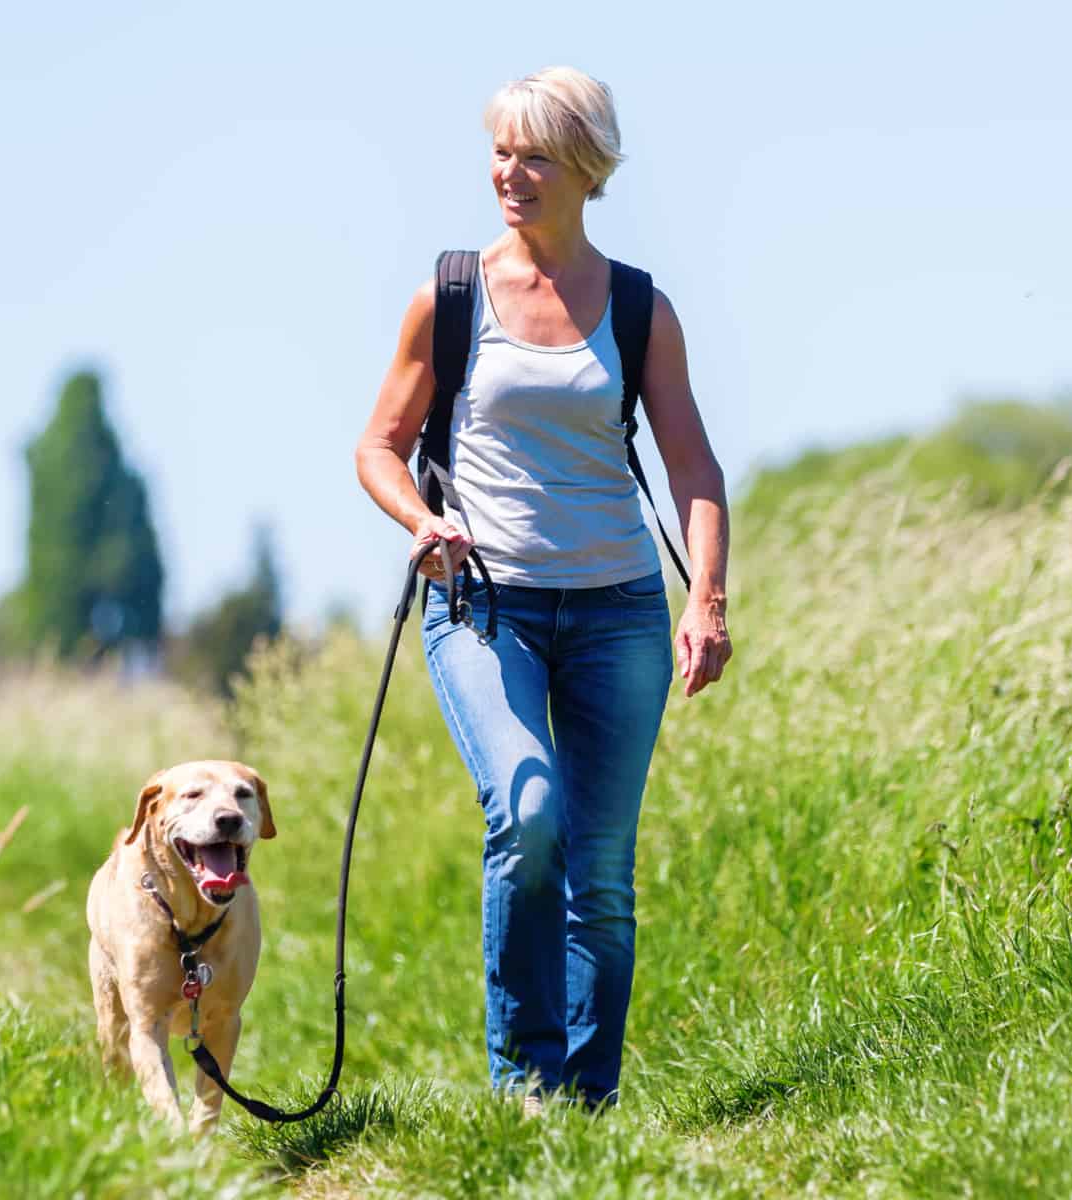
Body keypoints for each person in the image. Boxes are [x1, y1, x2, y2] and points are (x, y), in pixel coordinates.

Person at [353, 66, 733, 1112]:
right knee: (526, 816)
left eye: (532, 155)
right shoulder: (452, 294)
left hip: (617, 610)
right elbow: (379, 448)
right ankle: (522, 1083)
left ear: (585, 167)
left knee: (599, 877)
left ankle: (583, 1107)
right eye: (499, 152)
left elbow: (693, 468)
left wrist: (704, 598)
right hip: (486, 608)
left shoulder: (638, 307)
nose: (507, 173)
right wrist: (422, 522)